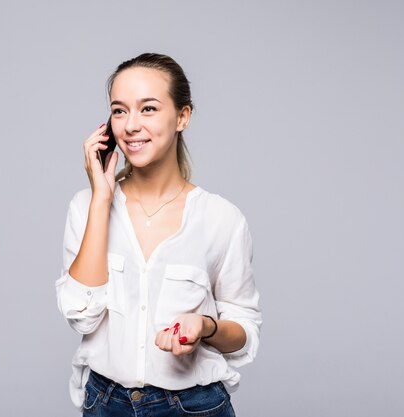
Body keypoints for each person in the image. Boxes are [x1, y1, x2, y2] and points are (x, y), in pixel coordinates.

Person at [55, 53, 261, 417]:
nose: (130, 125)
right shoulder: (86, 206)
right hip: (106, 404)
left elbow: (244, 330)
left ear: (183, 116)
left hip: (193, 406)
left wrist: (204, 326)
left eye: (148, 109)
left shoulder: (221, 219)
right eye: (119, 111)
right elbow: (81, 315)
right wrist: (101, 198)